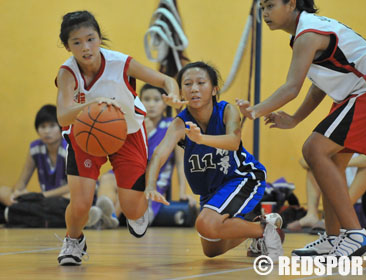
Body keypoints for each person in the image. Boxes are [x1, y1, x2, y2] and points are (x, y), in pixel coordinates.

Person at [237, 0, 366, 257]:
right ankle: (333, 238)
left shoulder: (307, 34)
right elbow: (319, 85)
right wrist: (295, 119)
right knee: (332, 161)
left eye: (270, 5)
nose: (264, 13)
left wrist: (255, 110)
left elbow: (292, 88)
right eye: (262, 8)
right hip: (361, 90)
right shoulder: (305, 33)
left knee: (313, 148)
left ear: (291, 4)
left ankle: (355, 234)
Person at [55, 10, 185, 265]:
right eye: (77, 42)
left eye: (91, 39)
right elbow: (62, 116)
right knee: (80, 205)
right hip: (86, 134)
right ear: (67, 46)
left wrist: (172, 94)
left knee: (132, 208)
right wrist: (90, 106)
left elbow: (166, 79)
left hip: (127, 132)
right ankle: (73, 240)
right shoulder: (67, 74)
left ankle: (136, 212)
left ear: (100, 38)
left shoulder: (120, 63)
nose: (86, 47)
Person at [145, 61, 283, 259]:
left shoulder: (228, 111)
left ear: (214, 89)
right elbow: (159, 154)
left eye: (201, 83)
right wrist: (150, 185)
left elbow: (233, 141)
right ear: (181, 91)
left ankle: (267, 232)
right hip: (211, 189)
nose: (194, 89)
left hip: (242, 177)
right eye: (188, 84)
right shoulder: (180, 123)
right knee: (212, 249)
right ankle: (263, 224)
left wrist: (201, 139)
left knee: (205, 224)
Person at [87, 84, 195, 229]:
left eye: (156, 100)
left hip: (150, 186)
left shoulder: (173, 125)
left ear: (165, 104)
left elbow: (182, 163)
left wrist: (184, 192)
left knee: (130, 182)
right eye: (146, 99)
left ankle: (105, 218)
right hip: (126, 176)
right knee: (108, 177)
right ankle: (105, 215)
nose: (151, 104)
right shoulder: (131, 125)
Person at [289, 144, 366, 235]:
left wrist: (336, 163)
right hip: (352, 216)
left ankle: (336, 214)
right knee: (316, 168)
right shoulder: (341, 153)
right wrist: (327, 163)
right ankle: (311, 215)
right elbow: (305, 161)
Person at [0, 104, 68, 221]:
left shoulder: (68, 148)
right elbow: (21, 183)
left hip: (60, 198)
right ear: (37, 129)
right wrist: (17, 195)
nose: (47, 131)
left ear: (61, 127)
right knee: (2, 191)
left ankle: (13, 214)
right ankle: (17, 213)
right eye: (43, 126)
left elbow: (73, 188)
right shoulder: (35, 148)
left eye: (52, 126)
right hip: (43, 200)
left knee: (66, 201)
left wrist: (40, 196)